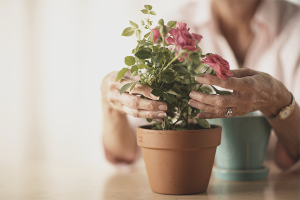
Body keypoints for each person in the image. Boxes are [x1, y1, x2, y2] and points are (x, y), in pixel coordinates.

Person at [101, 0, 300, 170]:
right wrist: (111, 104)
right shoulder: (177, 28)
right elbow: (126, 152)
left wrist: (278, 99)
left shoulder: (295, 26)